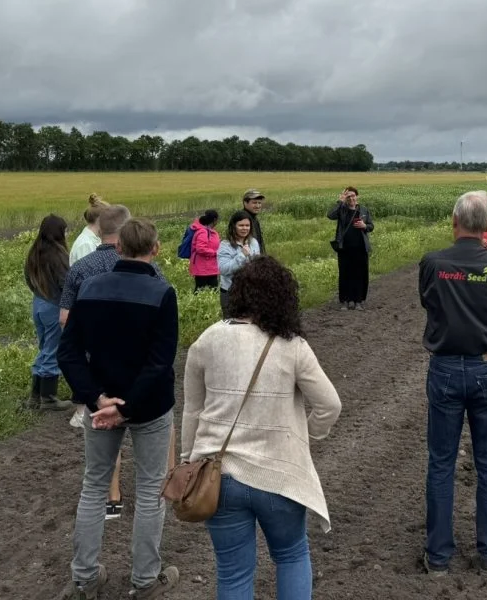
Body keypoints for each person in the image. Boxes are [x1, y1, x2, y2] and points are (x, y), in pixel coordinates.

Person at [182, 257, 342, 599]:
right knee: (290, 555)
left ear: (237, 294)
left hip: (217, 475)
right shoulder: (293, 346)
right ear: (283, 298)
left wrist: (186, 461)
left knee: (233, 574)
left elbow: (192, 410)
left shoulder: (207, 340)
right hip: (279, 477)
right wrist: (304, 437)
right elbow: (330, 405)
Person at [57, 218, 181, 600]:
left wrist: (97, 398)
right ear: (155, 250)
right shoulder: (163, 292)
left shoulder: (91, 288)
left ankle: (84, 579)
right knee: (148, 490)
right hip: (149, 407)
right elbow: (160, 362)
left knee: (94, 487)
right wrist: (126, 409)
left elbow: (69, 352)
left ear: (118, 248)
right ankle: (145, 581)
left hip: (101, 403)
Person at [418, 190, 487, 576]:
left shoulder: (432, 263)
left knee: (441, 463)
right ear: (486, 225)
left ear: (454, 221)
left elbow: (429, 303)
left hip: (444, 369)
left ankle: (438, 556)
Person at [60, 204, 163, 518]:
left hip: (94, 373)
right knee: (150, 472)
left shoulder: (80, 270)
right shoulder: (154, 274)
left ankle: (112, 498)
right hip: (139, 373)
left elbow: (65, 320)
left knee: (99, 457)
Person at [23, 214, 74, 411]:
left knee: (44, 348)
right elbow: (66, 284)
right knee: (53, 349)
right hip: (54, 306)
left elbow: (28, 278)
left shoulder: (34, 252)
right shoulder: (58, 256)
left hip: (39, 303)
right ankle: (48, 398)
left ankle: (35, 397)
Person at [327, 187, 374, 311]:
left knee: (360, 274)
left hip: (360, 248)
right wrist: (340, 201)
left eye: (353, 195)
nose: (351, 198)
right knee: (345, 274)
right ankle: (345, 301)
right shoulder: (342, 209)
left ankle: (358, 301)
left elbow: (371, 226)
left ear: (357, 196)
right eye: (348, 196)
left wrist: (365, 226)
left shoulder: (363, 210)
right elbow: (330, 215)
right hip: (345, 248)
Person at [218, 210, 262, 317]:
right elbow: (223, 269)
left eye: (247, 225)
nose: (244, 228)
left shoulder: (254, 242)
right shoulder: (225, 245)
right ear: (233, 226)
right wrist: (242, 256)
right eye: (241, 225)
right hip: (231, 292)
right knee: (232, 326)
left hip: (251, 291)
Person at [70, 194, 109, 265]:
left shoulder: (94, 240)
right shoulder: (85, 244)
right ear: (100, 219)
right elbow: (87, 273)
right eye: (108, 219)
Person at [188, 209, 222, 292]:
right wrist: (215, 253)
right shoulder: (203, 232)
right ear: (214, 220)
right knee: (200, 290)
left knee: (213, 290)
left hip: (211, 267)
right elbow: (200, 249)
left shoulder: (211, 232)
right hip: (202, 268)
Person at [243, 189, 267, 254]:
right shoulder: (242, 219)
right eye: (254, 203)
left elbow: (259, 242)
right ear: (245, 203)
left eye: (259, 203)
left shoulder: (254, 219)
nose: (257, 206)